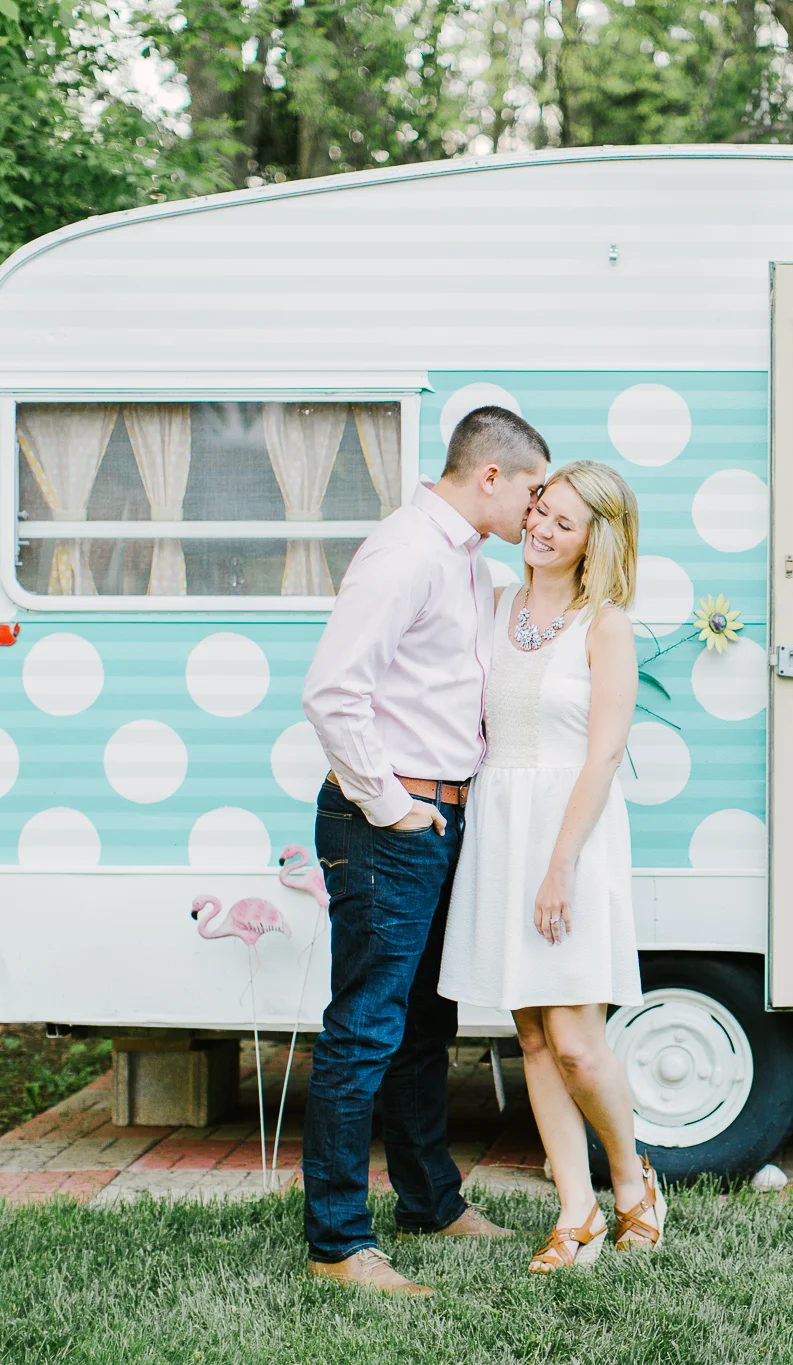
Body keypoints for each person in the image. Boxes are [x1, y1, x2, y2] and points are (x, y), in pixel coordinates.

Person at [297, 406, 549, 1297]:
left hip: (439, 817)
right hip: (390, 823)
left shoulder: (464, 560)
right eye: (531, 488)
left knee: (421, 1026)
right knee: (364, 1028)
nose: (536, 506)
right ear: (490, 476)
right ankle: (336, 1240)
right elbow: (332, 692)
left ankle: (430, 1202)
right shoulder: (407, 552)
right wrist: (393, 806)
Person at [436, 459, 664, 1273]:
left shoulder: (606, 625)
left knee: (576, 1040)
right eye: (540, 509)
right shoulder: (494, 605)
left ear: (594, 541)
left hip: (571, 832)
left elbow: (604, 756)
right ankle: (578, 1211)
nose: (539, 527)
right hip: (501, 824)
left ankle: (633, 1182)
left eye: (563, 522)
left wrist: (561, 865)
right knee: (530, 1032)